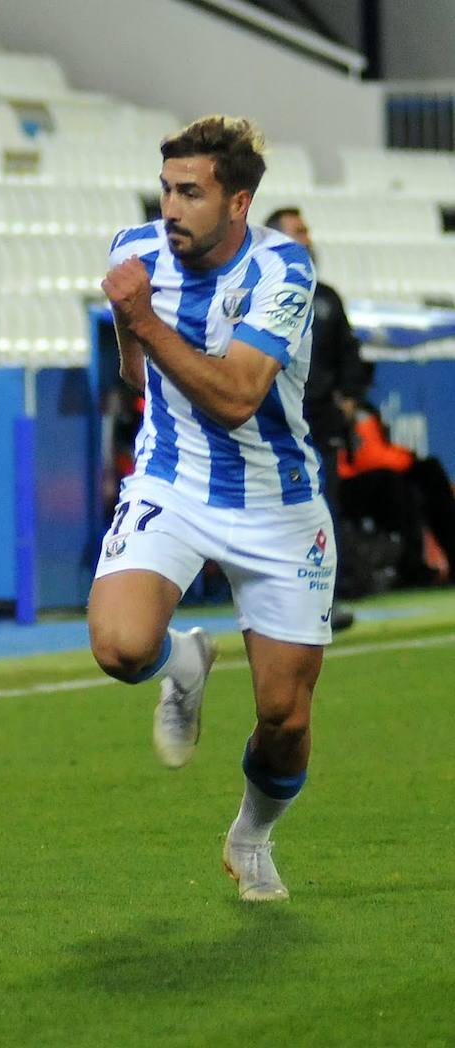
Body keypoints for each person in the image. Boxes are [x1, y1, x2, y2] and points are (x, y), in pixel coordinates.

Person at [89, 116, 333, 903]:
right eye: (166, 188)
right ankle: (184, 662)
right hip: (172, 481)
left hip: (278, 504)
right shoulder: (136, 249)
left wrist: (148, 318)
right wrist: (133, 322)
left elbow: (236, 396)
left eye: (190, 192)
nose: (171, 206)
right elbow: (137, 375)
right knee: (121, 647)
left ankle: (252, 836)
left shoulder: (281, 270)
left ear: (238, 202)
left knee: (285, 718)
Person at [264, 207, 364, 627]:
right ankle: (277, 601)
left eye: (306, 231)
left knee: (323, 507)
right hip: (274, 425)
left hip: (320, 421)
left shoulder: (326, 298)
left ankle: (325, 598)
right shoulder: (261, 295)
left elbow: (350, 355)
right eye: (298, 232)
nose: (307, 238)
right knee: (276, 511)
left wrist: (348, 401)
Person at [336, 399, 455, 586]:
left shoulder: (365, 408)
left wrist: (408, 459)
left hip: (378, 473)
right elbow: (368, 458)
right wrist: (407, 460)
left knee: (430, 471)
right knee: (394, 483)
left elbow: (379, 451)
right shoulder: (329, 410)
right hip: (345, 484)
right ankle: (410, 567)